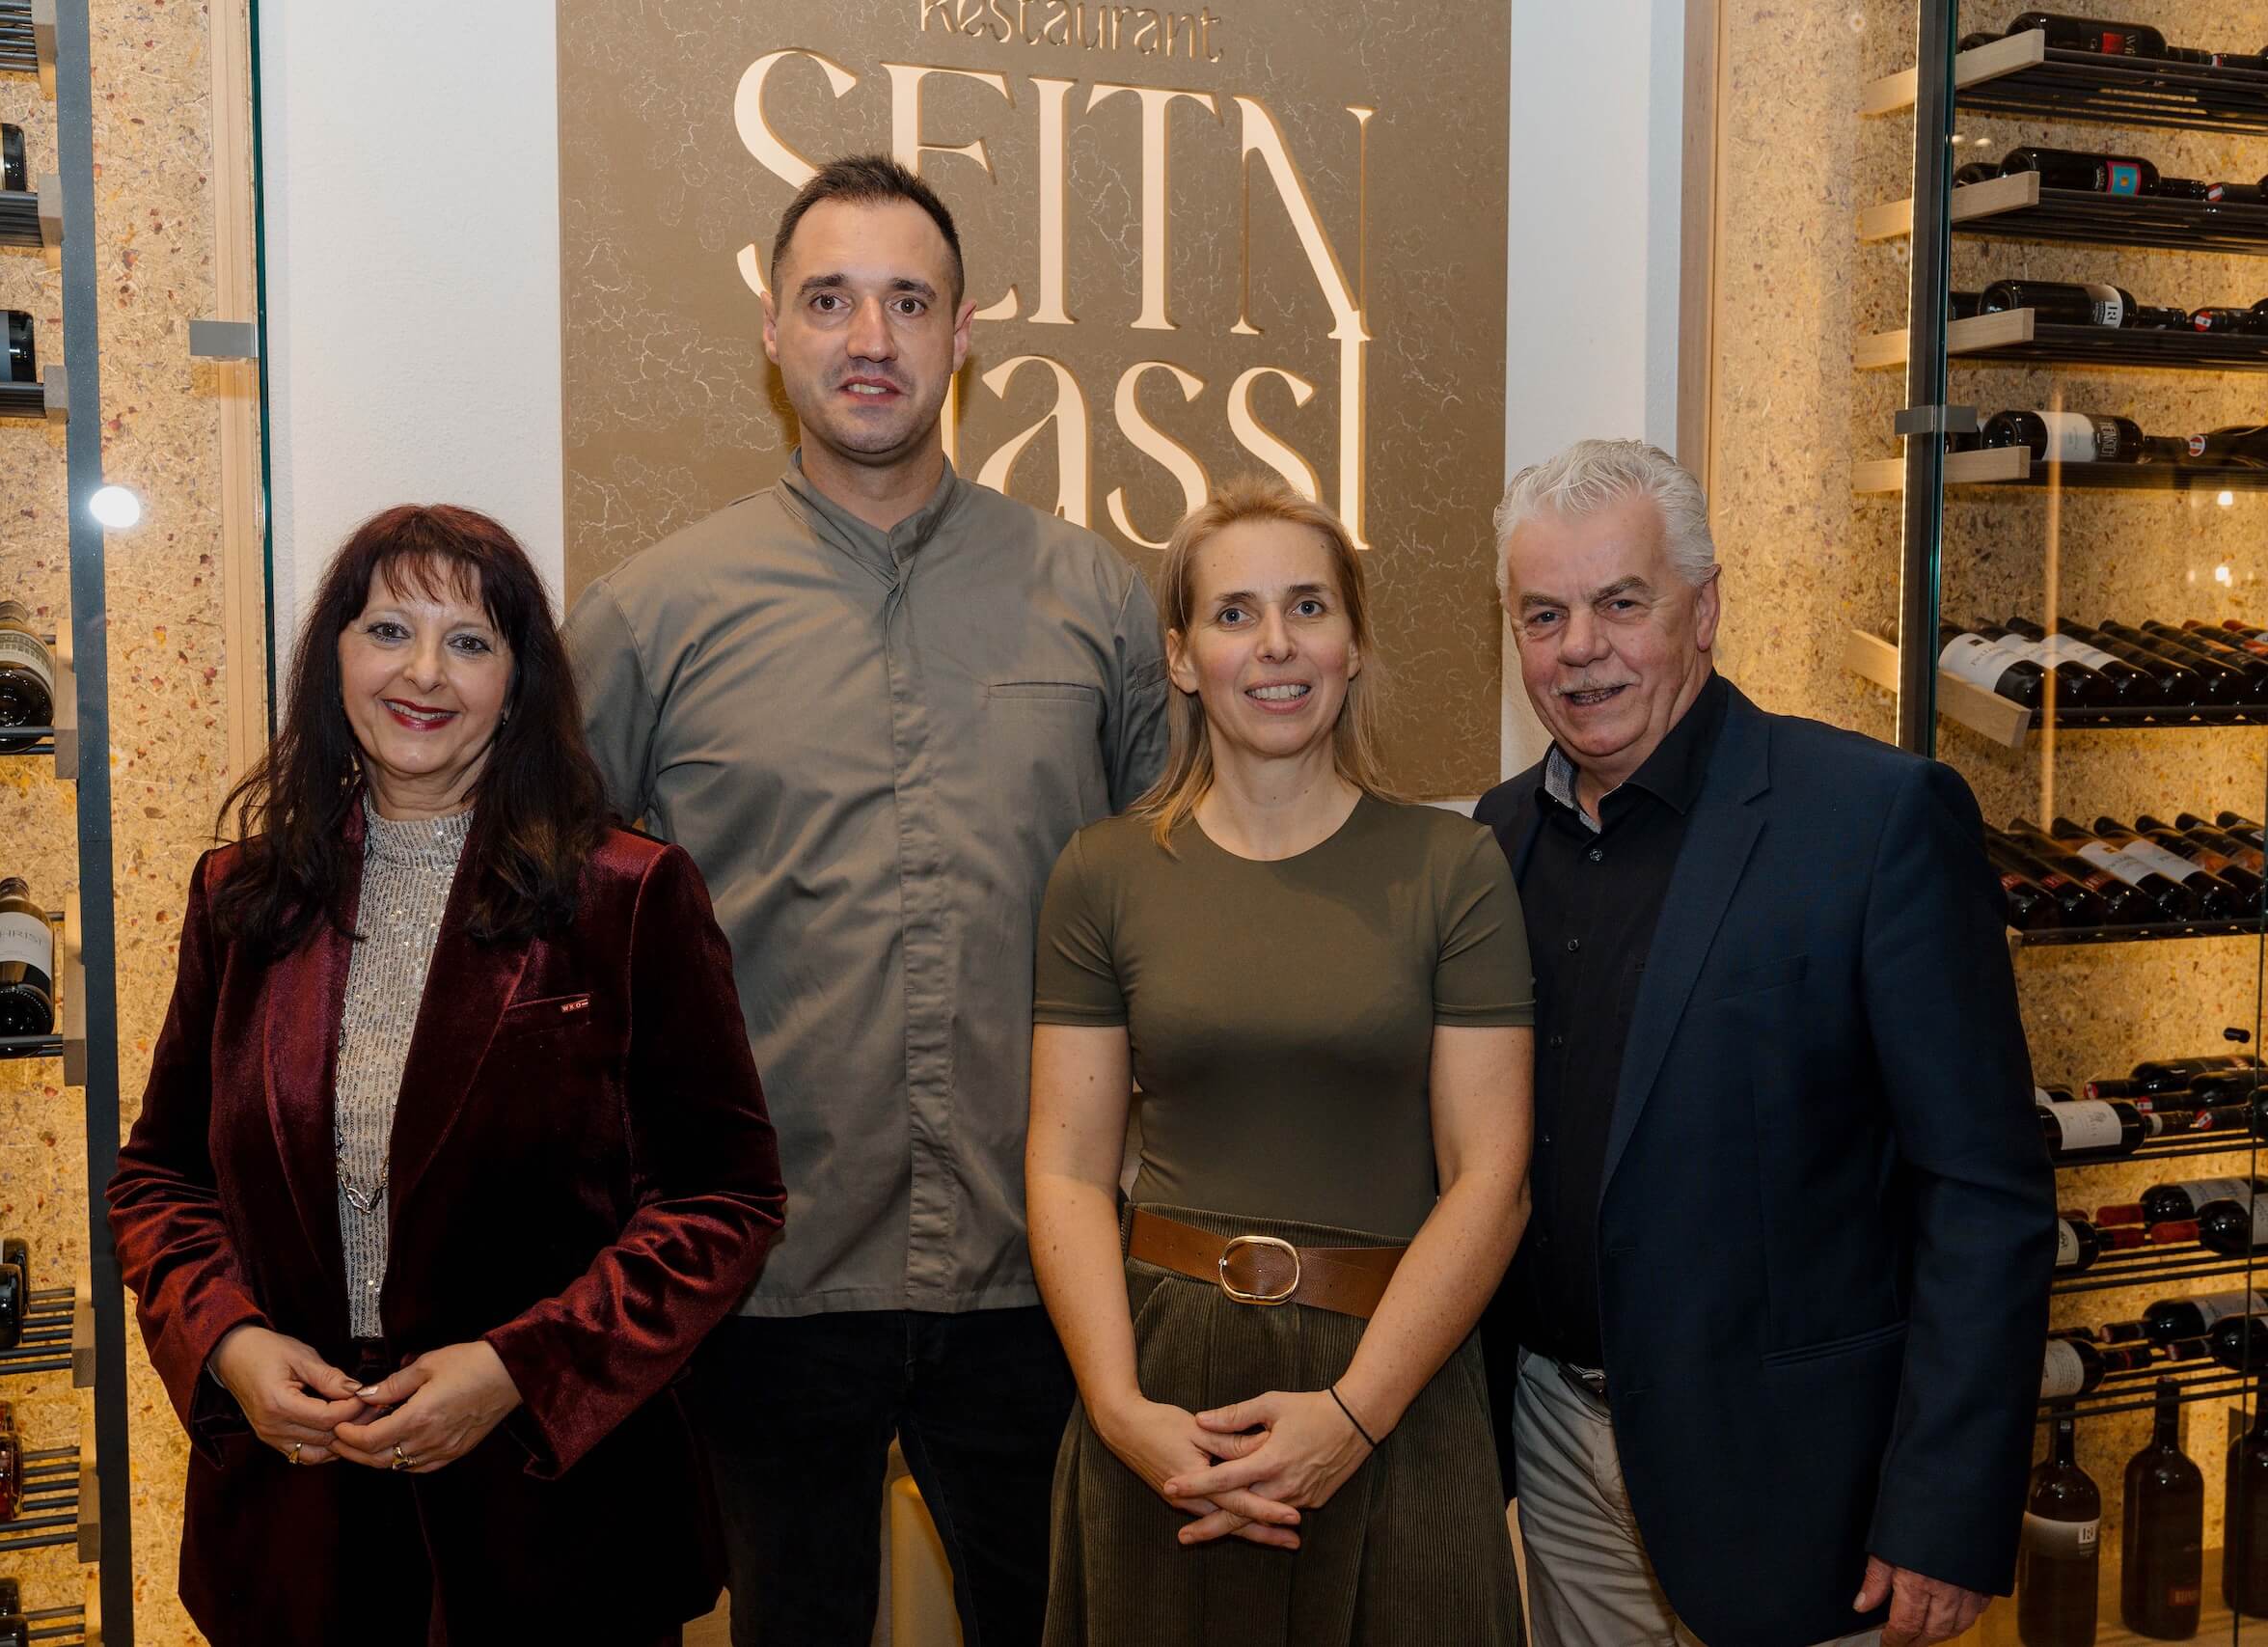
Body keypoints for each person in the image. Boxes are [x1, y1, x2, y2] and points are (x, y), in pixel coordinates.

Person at [564, 154, 1167, 1647]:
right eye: (829, 300)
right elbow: (550, 928)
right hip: (765, 1281)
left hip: (1040, 1275)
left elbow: (1177, 907)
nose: (871, 338)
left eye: (909, 301)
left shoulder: (1094, 600)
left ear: (967, 335)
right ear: (773, 333)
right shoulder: (655, 613)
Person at [105, 505, 785, 1647]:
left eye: (469, 642)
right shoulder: (243, 896)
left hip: (555, 1527)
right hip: (297, 1528)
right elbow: (159, 1179)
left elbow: (725, 1200)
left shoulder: (626, 896)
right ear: (334, 660)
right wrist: (228, 1341)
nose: (424, 672)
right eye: (388, 631)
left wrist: (519, 1370)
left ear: (518, 685)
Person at [1474, 439, 2053, 1647]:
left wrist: (1941, 1505)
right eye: (1544, 614)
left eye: (1621, 603)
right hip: (1554, 1440)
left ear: (1705, 609)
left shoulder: (1875, 819)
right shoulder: (1495, 837)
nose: (1581, 648)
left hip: (1800, 1492)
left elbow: (1984, 1190)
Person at [1027, 477, 1532, 1645]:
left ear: (1353, 646)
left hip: (1392, 1373)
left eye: (1308, 608)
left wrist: (1351, 1419)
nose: (1275, 645)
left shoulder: (1454, 868)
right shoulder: (1100, 876)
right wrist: (1116, 1408)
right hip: (1164, 1389)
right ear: (1183, 655)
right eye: (1234, 613)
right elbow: (1064, 1167)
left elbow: (1490, 1178)